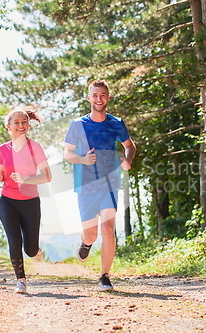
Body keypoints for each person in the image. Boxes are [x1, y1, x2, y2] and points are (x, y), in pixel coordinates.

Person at [64, 80, 136, 291]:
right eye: (95, 95)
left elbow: (130, 146)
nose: (99, 98)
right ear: (89, 98)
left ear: (108, 98)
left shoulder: (116, 123)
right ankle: (86, 243)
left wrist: (128, 159)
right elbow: (67, 153)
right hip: (85, 185)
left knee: (107, 228)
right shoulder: (78, 124)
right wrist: (83, 160)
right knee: (91, 234)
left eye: (103, 95)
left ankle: (104, 276)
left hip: (109, 183)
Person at [0, 107, 52, 294]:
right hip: (8, 200)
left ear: (28, 125)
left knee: (30, 248)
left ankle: (35, 250)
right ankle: (20, 280)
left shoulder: (34, 147)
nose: (21, 125)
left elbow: (47, 176)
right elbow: (3, 173)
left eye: (24, 122)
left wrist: (26, 179)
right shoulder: (3, 149)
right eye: (16, 123)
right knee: (14, 240)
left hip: (30, 201)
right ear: (8, 126)